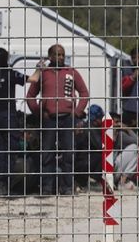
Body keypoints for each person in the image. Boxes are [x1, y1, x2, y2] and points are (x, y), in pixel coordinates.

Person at [25, 44, 90, 195]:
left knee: (68, 153)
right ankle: (46, 188)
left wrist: (77, 112)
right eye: (57, 54)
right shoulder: (43, 73)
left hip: (68, 119)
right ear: (50, 57)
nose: (60, 57)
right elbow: (30, 96)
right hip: (49, 119)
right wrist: (39, 112)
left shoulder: (71, 72)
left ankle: (67, 188)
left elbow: (84, 93)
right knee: (46, 153)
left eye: (62, 55)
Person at [0, 47, 40, 196]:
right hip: (8, 118)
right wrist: (39, 68)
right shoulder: (11, 73)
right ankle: (6, 186)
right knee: (10, 151)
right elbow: (34, 79)